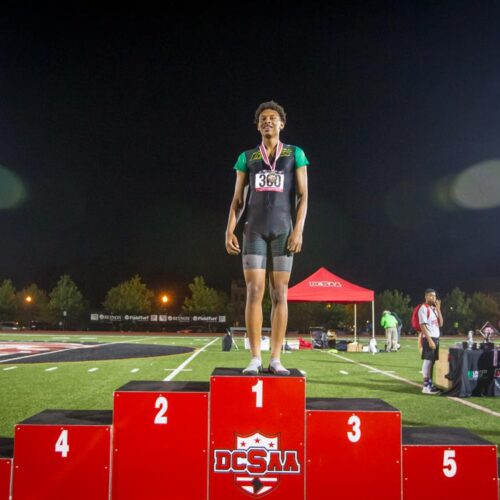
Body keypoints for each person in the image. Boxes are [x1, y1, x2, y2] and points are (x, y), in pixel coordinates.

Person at [225, 101, 309, 375]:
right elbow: (238, 199)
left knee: (280, 293)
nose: (268, 121)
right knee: (254, 291)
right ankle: (254, 358)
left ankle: (275, 358)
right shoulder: (247, 157)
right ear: (258, 125)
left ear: (282, 123)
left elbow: (303, 195)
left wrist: (298, 229)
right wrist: (229, 229)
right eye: (263, 118)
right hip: (254, 230)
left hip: (283, 230)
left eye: (273, 118)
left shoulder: (294, 153)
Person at [418, 288, 443, 394]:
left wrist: (438, 309)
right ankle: (426, 387)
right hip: (429, 338)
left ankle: (430, 384)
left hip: (436, 338)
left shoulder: (434, 309)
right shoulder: (423, 308)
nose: (434, 298)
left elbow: (441, 324)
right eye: (431, 296)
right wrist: (429, 340)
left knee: (431, 362)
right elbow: (422, 325)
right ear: (426, 296)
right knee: (427, 362)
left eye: (435, 296)